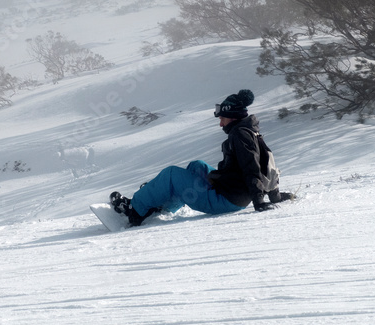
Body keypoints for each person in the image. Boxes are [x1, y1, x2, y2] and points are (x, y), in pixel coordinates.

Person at [109, 89, 293, 227]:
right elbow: (267, 165)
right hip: (233, 193)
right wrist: (275, 197)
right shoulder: (249, 132)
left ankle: (134, 211)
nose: (220, 123)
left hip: (227, 201)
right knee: (196, 166)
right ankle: (161, 207)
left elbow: (251, 168)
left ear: (233, 117)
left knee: (171, 174)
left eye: (223, 119)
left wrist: (259, 202)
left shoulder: (240, 135)